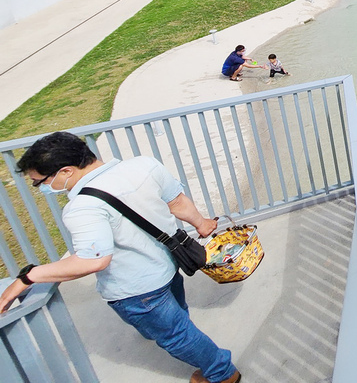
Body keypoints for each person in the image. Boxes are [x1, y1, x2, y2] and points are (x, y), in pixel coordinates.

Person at [0, 132, 240, 383]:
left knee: (176, 336)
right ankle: (176, 331)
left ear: (66, 172)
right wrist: (201, 224)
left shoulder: (82, 208)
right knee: (176, 317)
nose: (42, 188)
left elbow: (93, 260)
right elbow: (177, 202)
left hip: (137, 289)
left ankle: (222, 373)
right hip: (169, 265)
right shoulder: (144, 165)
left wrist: (29, 276)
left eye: (40, 182)